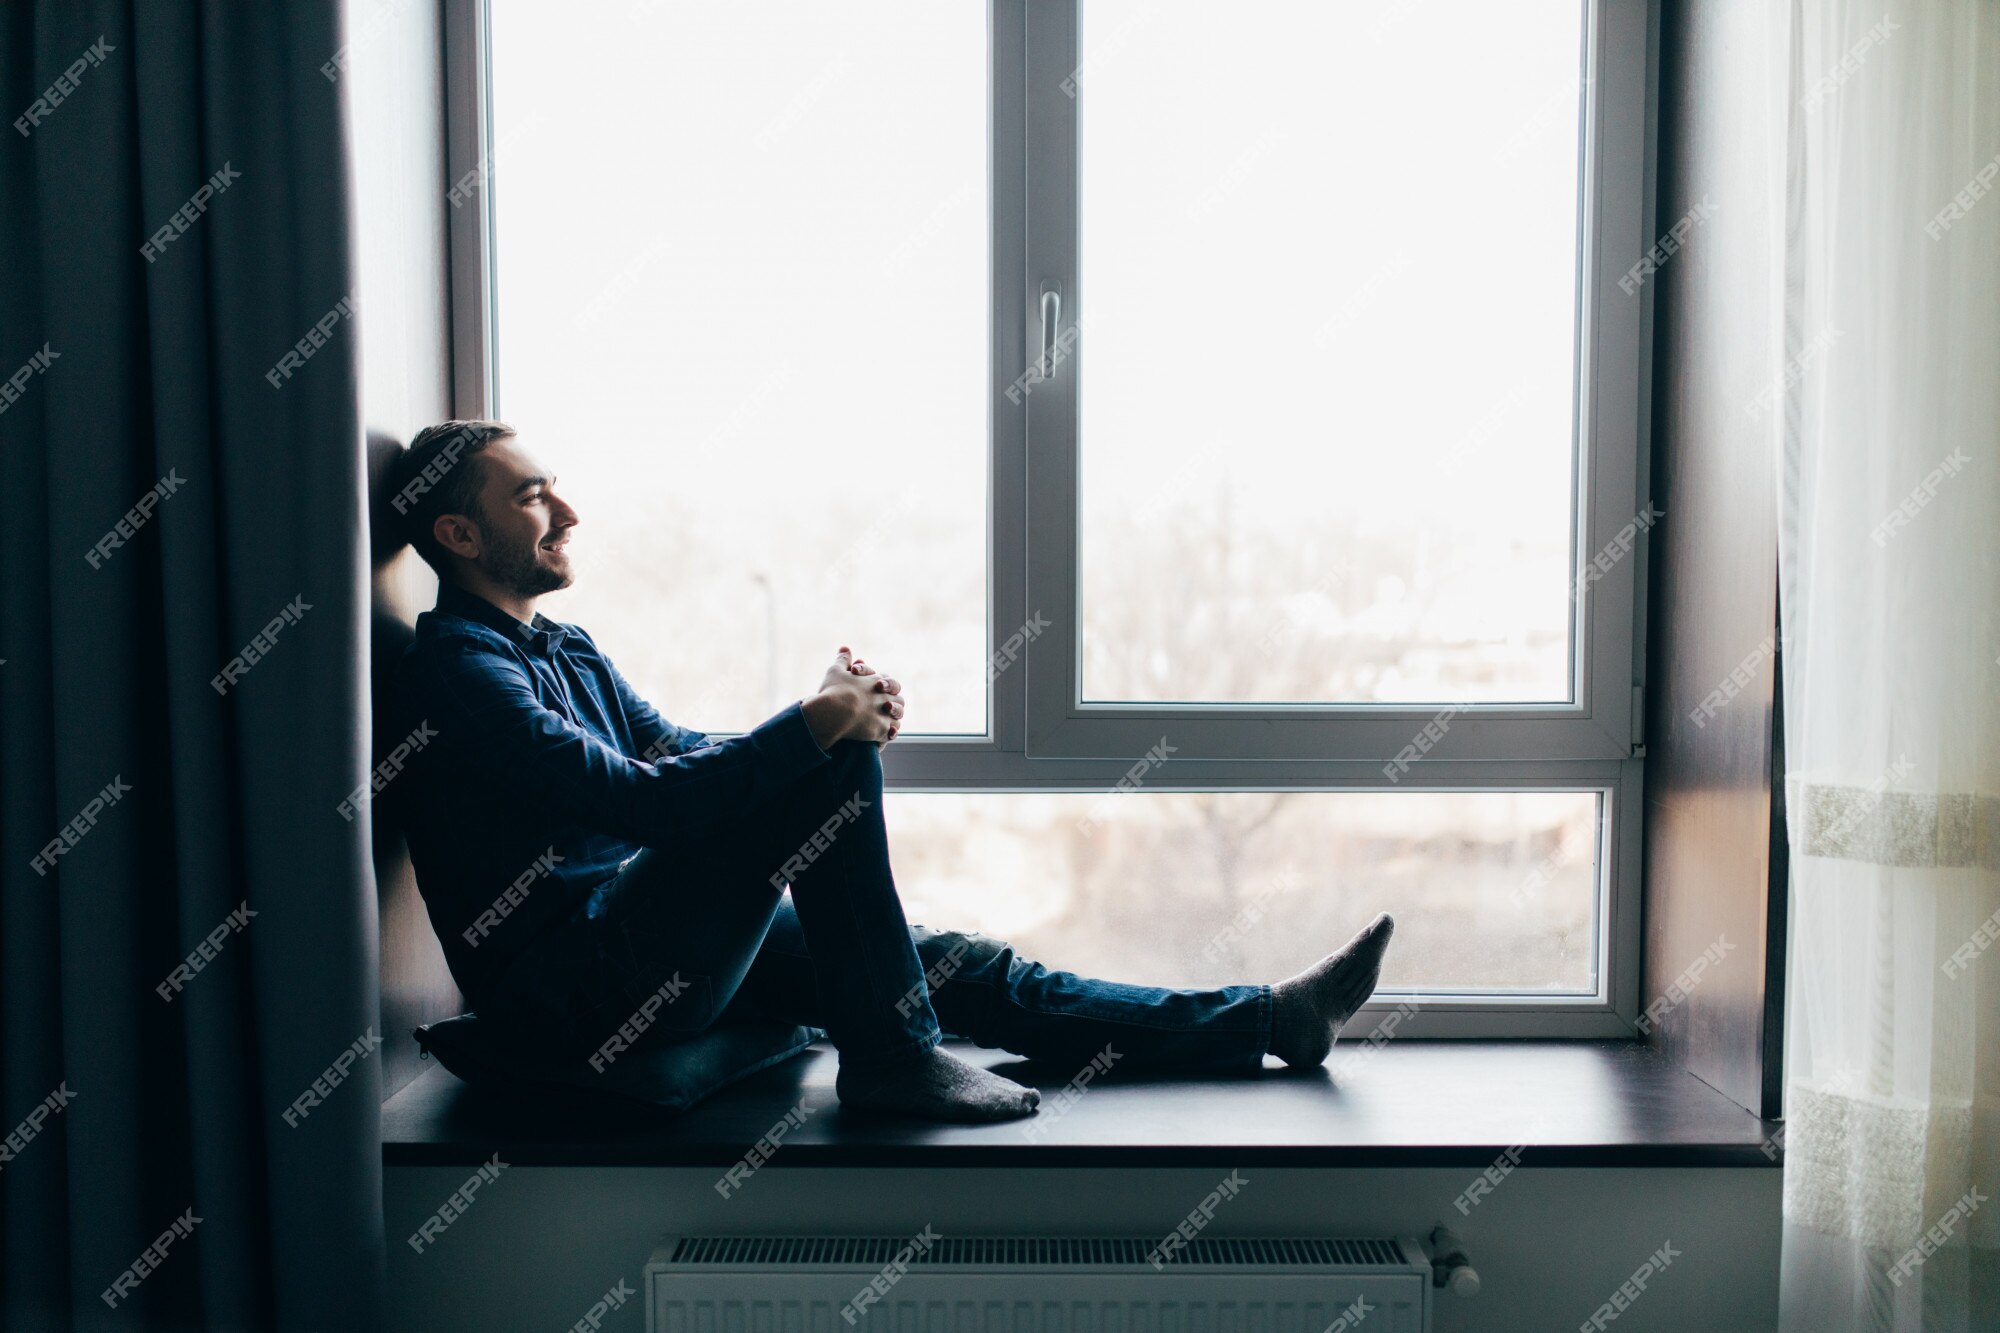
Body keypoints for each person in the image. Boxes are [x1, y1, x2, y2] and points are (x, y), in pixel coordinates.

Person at [384, 420, 1397, 1124]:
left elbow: (677, 752)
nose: (566, 507)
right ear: (459, 535)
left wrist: (821, 713)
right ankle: (890, 1060)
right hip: (578, 986)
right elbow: (646, 803)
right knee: (819, 764)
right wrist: (816, 728)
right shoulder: (459, 672)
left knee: (953, 962)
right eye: (530, 494)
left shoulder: (563, 646)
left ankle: (1268, 1021)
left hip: (648, 942)